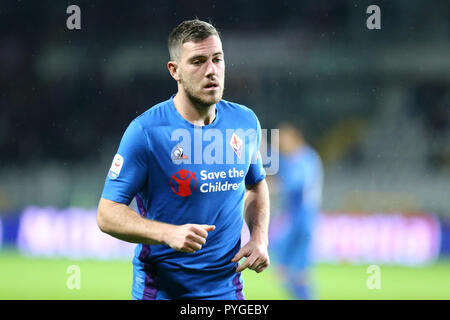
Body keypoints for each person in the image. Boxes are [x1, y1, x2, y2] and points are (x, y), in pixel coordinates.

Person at [97, 19, 270, 300]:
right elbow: (106, 213)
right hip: (162, 291)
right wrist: (167, 234)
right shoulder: (146, 132)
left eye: (217, 59)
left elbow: (256, 184)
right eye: (198, 61)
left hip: (228, 290)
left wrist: (259, 237)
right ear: (174, 70)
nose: (211, 70)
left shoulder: (245, 120)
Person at [270, 122, 323, 300]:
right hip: (294, 219)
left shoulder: (305, 159)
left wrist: (274, 187)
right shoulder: (293, 159)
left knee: (295, 272)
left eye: (284, 139)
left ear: (294, 137)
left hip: (302, 220)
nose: (281, 144)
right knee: (285, 269)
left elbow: (297, 184)